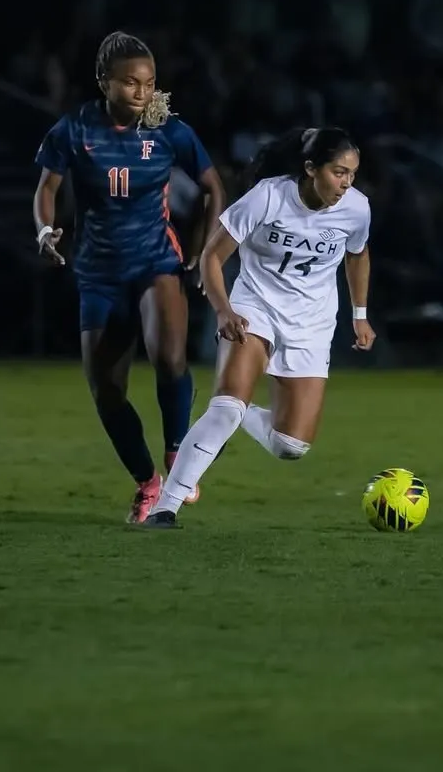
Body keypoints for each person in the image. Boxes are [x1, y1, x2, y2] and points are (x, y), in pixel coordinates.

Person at [33, 31, 226, 523]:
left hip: (155, 261)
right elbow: (47, 186)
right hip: (98, 272)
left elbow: (212, 187)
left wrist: (205, 248)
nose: (142, 92)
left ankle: (178, 451)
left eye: (149, 82)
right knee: (106, 391)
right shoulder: (75, 129)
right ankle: (147, 483)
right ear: (104, 82)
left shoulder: (168, 129)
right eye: (130, 82)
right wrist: (44, 229)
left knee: (169, 357)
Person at [144, 126, 375, 529]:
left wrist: (360, 315)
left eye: (352, 174)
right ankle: (167, 506)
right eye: (339, 172)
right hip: (256, 306)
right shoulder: (268, 196)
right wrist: (223, 311)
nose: (346, 183)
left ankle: (241, 411)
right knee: (225, 408)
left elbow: (357, 254)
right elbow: (212, 258)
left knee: (290, 445)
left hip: (312, 323)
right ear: (310, 169)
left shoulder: (356, 208)